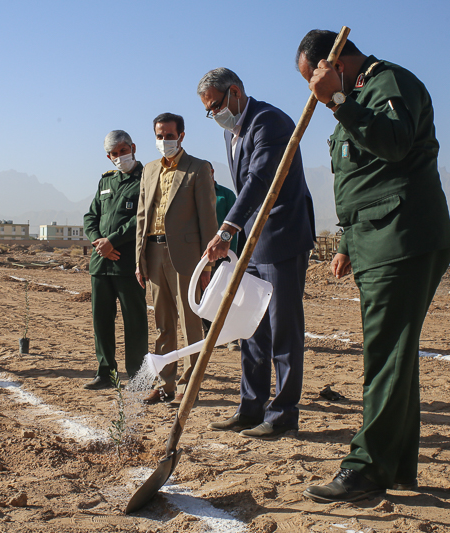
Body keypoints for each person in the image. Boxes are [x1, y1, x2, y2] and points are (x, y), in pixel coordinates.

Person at [296, 30, 450, 502]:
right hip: (374, 238)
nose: (313, 92)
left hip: (401, 235)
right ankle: (397, 466)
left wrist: (338, 100)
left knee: (385, 354)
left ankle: (366, 467)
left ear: (335, 64)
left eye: (314, 80)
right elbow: (361, 177)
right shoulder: (355, 98)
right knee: (394, 355)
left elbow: (396, 143)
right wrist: (346, 240)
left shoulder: (387, 83)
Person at [197, 68, 316, 439]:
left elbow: (260, 180)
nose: (213, 114)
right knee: (249, 326)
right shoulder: (232, 132)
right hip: (252, 241)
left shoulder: (269, 122)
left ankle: (283, 414)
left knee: (283, 329)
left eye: (215, 105)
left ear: (234, 92)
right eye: (208, 110)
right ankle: (250, 408)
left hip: (281, 237)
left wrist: (226, 229)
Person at [135, 112, 217, 406]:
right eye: (159, 136)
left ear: (181, 136)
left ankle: (189, 385)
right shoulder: (149, 169)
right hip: (153, 252)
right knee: (163, 324)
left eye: (169, 135)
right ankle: (164, 384)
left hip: (185, 257)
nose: (164, 140)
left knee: (190, 323)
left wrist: (207, 264)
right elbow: (141, 216)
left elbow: (208, 218)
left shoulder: (197, 168)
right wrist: (139, 260)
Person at [82, 130, 149, 390]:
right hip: (101, 263)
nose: (120, 157)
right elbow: (91, 217)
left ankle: (137, 376)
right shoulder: (106, 181)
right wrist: (99, 242)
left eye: (123, 151)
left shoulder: (146, 178)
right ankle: (106, 373)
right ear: (108, 157)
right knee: (101, 321)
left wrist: (113, 241)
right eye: (114, 154)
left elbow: (142, 217)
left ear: (133, 147)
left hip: (128, 264)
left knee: (134, 322)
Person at [202, 164, 240, 352]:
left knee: (227, 295)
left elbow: (236, 225)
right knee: (205, 295)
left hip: (224, 256)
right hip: (203, 256)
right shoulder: (196, 196)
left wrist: (230, 253)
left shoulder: (226, 195)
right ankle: (210, 334)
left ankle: (231, 337)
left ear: (212, 173)